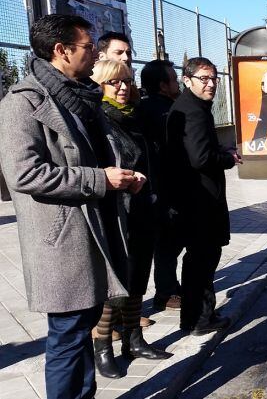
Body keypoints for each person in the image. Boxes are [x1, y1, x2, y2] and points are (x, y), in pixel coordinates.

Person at [0, 14, 137, 399]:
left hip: (98, 226)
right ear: (61, 51)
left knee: (84, 326)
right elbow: (25, 175)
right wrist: (100, 180)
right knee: (68, 336)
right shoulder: (22, 103)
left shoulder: (81, 97)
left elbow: (96, 155)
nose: (95, 52)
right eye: (88, 46)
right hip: (64, 239)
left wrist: (124, 176)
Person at [90, 60, 173, 378]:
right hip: (115, 212)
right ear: (100, 86)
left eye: (127, 81)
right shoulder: (98, 118)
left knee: (139, 276)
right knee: (116, 284)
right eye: (114, 83)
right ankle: (103, 347)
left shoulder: (137, 116)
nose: (123, 87)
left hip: (142, 207)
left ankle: (134, 340)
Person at [166, 57, 241, 336]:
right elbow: (200, 158)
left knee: (200, 260)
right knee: (203, 260)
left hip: (193, 199)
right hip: (199, 201)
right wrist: (228, 158)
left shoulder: (192, 107)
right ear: (187, 80)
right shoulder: (194, 111)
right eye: (204, 79)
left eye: (214, 79)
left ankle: (199, 314)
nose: (210, 84)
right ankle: (198, 320)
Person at [135, 59, 184, 312]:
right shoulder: (161, 111)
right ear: (163, 85)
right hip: (164, 187)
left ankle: (170, 287)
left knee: (171, 241)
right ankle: (165, 292)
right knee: (168, 241)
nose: (178, 83)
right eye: (174, 79)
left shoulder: (149, 107)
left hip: (164, 186)